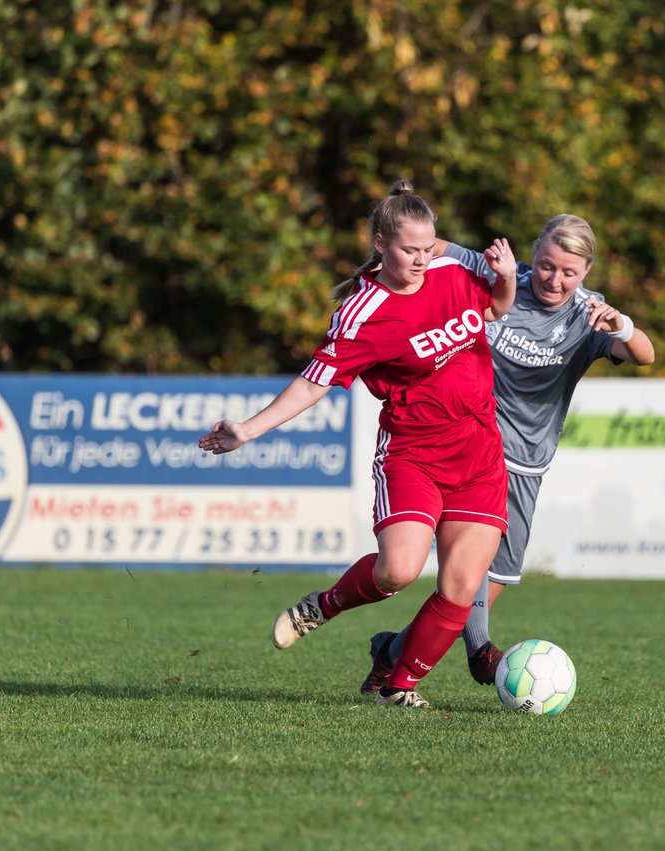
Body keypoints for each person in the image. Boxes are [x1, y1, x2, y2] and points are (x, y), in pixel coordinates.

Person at [198, 180, 517, 709]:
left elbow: (495, 311)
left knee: (461, 587)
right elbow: (312, 383)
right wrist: (248, 431)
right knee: (398, 571)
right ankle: (321, 607)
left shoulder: (454, 272)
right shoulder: (362, 314)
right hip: (414, 456)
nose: (421, 260)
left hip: (481, 455)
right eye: (409, 250)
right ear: (379, 244)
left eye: (428, 247)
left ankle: (398, 686)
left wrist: (504, 278)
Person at [358, 214, 655, 695]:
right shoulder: (496, 276)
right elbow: (430, 246)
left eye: (568, 272)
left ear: (586, 273)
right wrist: (387, 260)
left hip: (527, 463)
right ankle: (481, 653)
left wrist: (622, 326)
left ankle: (389, 654)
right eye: (545, 266)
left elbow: (645, 355)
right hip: (469, 448)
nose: (554, 280)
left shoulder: (588, 315)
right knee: (463, 580)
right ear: (532, 257)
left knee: (468, 595)